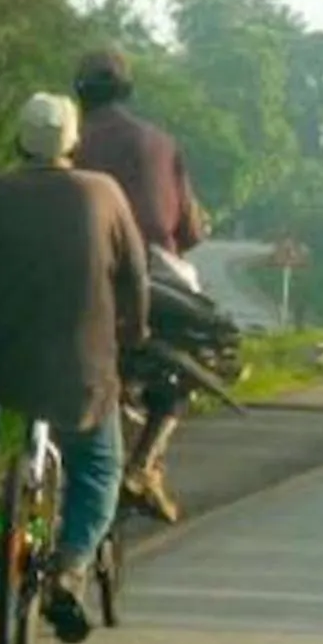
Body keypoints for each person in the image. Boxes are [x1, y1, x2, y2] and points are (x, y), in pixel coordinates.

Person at [0, 92, 149, 644]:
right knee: (99, 470)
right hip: (82, 365)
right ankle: (71, 566)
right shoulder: (103, 192)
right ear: (73, 143)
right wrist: (134, 334)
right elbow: (135, 277)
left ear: (19, 139)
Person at [71, 48, 203, 523]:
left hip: (77, 270)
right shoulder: (160, 143)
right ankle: (144, 463)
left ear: (80, 93)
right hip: (151, 271)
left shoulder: (68, 141)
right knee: (188, 359)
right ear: (127, 90)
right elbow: (190, 231)